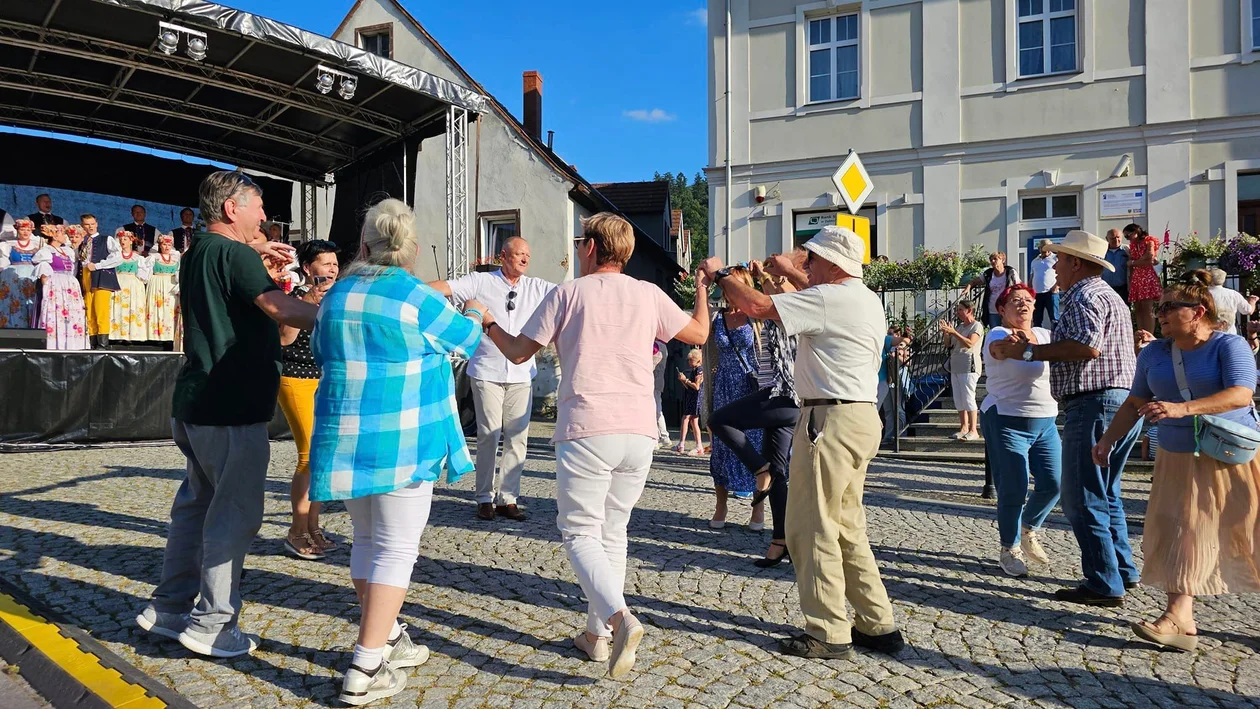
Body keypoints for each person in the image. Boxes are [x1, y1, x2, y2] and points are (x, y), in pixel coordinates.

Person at [480, 212, 711, 677]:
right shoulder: (648, 293)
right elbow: (700, 333)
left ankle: (618, 618)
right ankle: (597, 637)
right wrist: (703, 287)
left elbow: (521, 352)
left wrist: (487, 324)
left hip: (588, 425)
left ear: (590, 248)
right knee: (613, 532)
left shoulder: (569, 292)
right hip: (639, 429)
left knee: (580, 531)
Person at [700, 225, 905, 660]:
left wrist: (719, 276)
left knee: (810, 526)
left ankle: (828, 629)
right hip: (860, 416)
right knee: (848, 524)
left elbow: (756, 305)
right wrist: (790, 270)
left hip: (829, 418)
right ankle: (877, 622)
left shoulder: (828, 298)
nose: (806, 266)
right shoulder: (865, 298)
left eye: (811, 259)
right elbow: (812, 293)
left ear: (831, 263)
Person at [134, 170, 315, 659]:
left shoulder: (201, 252)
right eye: (258, 207)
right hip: (232, 407)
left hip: (196, 403)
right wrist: (339, 309)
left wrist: (258, 254)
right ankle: (214, 623)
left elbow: (231, 283)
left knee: (195, 509)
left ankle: (170, 608)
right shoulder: (233, 253)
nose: (264, 216)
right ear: (232, 208)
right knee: (232, 517)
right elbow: (278, 308)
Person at [309, 199, 481, 704]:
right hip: (403, 438)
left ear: (363, 245)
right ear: (412, 251)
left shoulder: (337, 294)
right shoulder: (415, 294)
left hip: (344, 436)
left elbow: (321, 350)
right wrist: (473, 310)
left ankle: (387, 638)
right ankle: (366, 666)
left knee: (366, 540)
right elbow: (467, 338)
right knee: (397, 550)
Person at [1095, 271, 1260, 652]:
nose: (1160, 312)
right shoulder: (1153, 352)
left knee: (1249, 531)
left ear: (1198, 311)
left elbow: (1240, 394)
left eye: (1170, 306)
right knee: (1180, 530)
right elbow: (1135, 403)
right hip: (1177, 456)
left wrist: (1182, 408)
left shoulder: (1227, 347)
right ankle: (1179, 618)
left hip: (1229, 455)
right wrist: (1107, 440)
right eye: (1159, 306)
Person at [992, 230, 1139, 606]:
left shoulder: (1084, 294)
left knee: (1083, 498)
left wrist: (1031, 354)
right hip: (1120, 402)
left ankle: (1103, 583)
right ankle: (1122, 570)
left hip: (1094, 403)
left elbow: (1086, 347)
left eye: (1059, 258)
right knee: (1108, 493)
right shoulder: (1110, 295)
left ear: (1076, 262)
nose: (1054, 265)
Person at [427, 237, 554, 521]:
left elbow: (569, 296)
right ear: (503, 256)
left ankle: (507, 498)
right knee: (489, 434)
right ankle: (483, 496)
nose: (524, 259)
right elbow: (446, 287)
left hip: (521, 374)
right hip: (486, 371)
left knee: (518, 438)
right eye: (518, 253)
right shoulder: (481, 282)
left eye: (527, 255)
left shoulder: (537, 287)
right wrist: (407, 292)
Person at [707, 255, 802, 567]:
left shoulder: (799, 304)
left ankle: (758, 471)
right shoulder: (781, 303)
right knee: (780, 472)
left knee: (720, 420)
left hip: (785, 395)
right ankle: (780, 541)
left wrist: (726, 275)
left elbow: (769, 301)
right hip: (776, 393)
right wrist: (767, 277)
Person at [980, 284, 1060, 577]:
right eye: (1015, 301)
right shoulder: (997, 333)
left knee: (1054, 484)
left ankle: (1028, 529)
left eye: (1028, 300)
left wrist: (1028, 344)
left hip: (1046, 419)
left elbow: (1041, 352)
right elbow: (1004, 352)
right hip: (1006, 417)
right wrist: (1032, 348)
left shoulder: (1047, 335)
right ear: (1001, 310)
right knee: (1013, 487)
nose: (1023, 304)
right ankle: (1009, 547)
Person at [278, 240, 340, 561]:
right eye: (325, 263)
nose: (332, 268)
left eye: (334, 263)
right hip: (295, 379)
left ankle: (314, 528)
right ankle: (296, 531)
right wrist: (308, 301)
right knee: (308, 456)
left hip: (326, 379)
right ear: (307, 269)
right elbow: (285, 340)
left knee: (324, 459)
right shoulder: (294, 299)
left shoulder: (339, 298)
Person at [701, 265, 764, 527]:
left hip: (751, 389)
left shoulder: (757, 317)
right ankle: (721, 506)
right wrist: (701, 286)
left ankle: (758, 510)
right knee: (722, 449)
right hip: (724, 387)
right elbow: (700, 331)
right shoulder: (717, 318)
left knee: (756, 447)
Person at [33, 224, 87, 350]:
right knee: (57, 314)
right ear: (55, 236)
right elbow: (44, 276)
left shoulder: (66, 251)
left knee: (71, 315)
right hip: (56, 286)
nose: (65, 236)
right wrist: (47, 292)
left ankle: (72, 343)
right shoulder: (46, 251)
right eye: (62, 234)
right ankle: (55, 343)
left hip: (69, 286)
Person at [941, 301, 983, 441]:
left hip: (969, 365)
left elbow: (970, 343)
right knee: (959, 399)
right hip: (956, 365)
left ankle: (973, 430)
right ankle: (963, 427)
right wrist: (947, 333)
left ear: (969, 310)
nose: (958, 312)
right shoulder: (959, 326)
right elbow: (949, 344)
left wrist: (954, 332)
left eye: (960, 309)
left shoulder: (976, 326)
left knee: (968, 397)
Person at [79, 215, 121, 350]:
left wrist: (98, 265)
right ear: (82, 226)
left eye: (92, 223)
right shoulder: (82, 242)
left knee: (100, 310)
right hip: (86, 276)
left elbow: (118, 258)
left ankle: (103, 344)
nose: (90, 227)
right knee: (89, 311)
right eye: (86, 224)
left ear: (96, 224)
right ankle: (93, 343)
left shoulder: (106, 239)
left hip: (102, 276)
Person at [0, 219, 42, 329]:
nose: (25, 232)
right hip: (14, 277)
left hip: (31, 276)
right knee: (15, 301)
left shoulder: (37, 245)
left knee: (30, 301)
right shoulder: (9, 245)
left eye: (28, 230)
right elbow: (4, 261)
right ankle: (12, 326)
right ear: (17, 230)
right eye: (22, 229)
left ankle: (31, 326)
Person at [111, 229, 150, 344]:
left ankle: (132, 334)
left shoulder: (137, 258)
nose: (123, 241)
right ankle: (118, 334)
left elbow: (143, 274)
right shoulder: (115, 256)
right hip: (119, 281)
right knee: (118, 307)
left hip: (133, 283)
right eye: (121, 239)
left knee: (132, 306)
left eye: (125, 239)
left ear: (131, 241)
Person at [1126, 223, 1161, 335]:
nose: (1128, 238)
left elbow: (1150, 259)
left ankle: (1149, 335)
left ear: (1136, 232)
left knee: (1147, 308)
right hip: (1137, 278)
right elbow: (1142, 260)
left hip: (1147, 277)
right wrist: (1131, 280)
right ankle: (1141, 334)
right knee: (1138, 309)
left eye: (1128, 235)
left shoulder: (1149, 241)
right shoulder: (1132, 245)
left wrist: (1133, 263)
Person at [970, 251, 1020, 328]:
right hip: (992, 310)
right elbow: (974, 281)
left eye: (995, 259)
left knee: (1009, 331)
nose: (992, 261)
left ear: (1003, 260)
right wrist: (968, 288)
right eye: (991, 260)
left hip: (1007, 309)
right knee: (995, 332)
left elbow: (1019, 286)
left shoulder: (1010, 273)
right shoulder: (988, 274)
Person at [146, 235, 180, 346]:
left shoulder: (176, 259)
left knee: (170, 310)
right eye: (164, 244)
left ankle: (169, 336)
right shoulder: (154, 258)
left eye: (169, 245)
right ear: (160, 245)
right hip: (157, 284)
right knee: (156, 308)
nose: (167, 247)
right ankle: (154, 336)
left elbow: (179, 274)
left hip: (170, 285)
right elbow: (146, 273)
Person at [1206, 268, 1256, 335]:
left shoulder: (1202, 294)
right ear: (1223, 280)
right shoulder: (1233, 294)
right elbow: (1248, 310)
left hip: (1207, 334)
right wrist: (1252, 301)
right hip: (1229, 334)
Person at [676, 349, 705, 455]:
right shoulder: (695, 370)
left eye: (691, 360)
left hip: (695, 397)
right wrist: (683, 381)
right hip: (692, 396)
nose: (689, 362)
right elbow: (690, 387)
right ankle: (699, 445)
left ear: (697, 361)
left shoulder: (699, 370)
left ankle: (681, 444)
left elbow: (696, 387)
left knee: (686, 418)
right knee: (694, 421)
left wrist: (685, 380)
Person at [1030, 239, 1059, 329]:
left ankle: (1056, 340)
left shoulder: (1056, 259)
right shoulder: (1035, 261)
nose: (1047, 250)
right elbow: (1032, 276)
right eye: (1044, 247)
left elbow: (1062, 273)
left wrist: (1056, 286)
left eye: (1049, 247)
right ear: (1040, 248)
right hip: (1037, 294)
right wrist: (1030, 290)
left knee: (1054, 319)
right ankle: (1038, 341)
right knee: (1037, 319)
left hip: (1051, 293)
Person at [651, 341, 674, 448]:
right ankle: (663, 437)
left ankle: (659, 437)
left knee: (654, 411)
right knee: (657, 410)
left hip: (652, 383)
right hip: (658, 382)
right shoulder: (663, 346)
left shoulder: (656, 346)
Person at [1101, 228, 1129, 302]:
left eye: (1118, 237)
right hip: (1106, 288)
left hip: (1123, 288)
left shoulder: (1127, 250)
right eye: (1112, 238)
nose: (1116, 240)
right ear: (1107, 239)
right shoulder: (1102, 251)